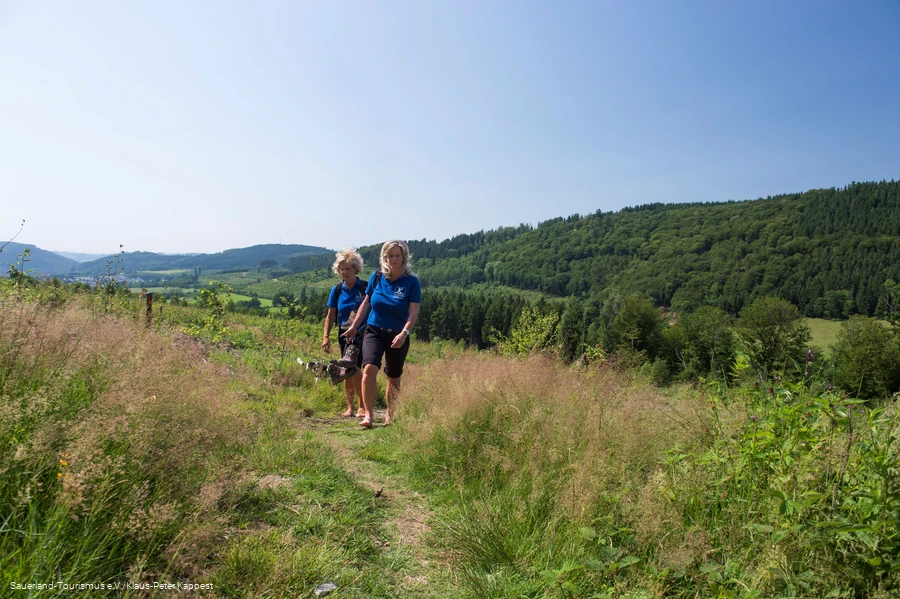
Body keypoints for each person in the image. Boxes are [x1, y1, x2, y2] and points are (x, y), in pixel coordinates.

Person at [343, 240, 421, 428]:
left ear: (404, 257)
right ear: (384, 257)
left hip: (398, 334)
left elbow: (413, 313)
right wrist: (354, 325)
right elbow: (366, 303)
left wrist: (404, 333)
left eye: (397, 256)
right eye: (389, 256)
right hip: (374, 330)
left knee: (393, 377)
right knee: (369, 368)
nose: (393, 260)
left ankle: (389, 414)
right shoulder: (377, 277)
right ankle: (368, 415)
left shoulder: (411, 282)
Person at [323, 248, 367, 418]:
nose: (345, 272)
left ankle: (363, 405)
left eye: (348, 268)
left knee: (355, 367)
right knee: (346, 368)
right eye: (342, 268)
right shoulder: (337, 290)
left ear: (356, 269)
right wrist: (325, 337)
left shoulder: (364, 287)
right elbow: (330, 315)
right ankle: (350, 407)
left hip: (362, 332)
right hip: (343, 333)